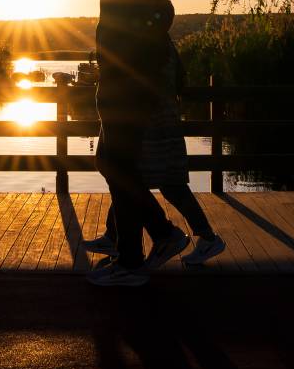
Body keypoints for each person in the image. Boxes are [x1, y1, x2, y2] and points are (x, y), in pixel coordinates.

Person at [84, 0, 192, 287]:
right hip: (123, 85)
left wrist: (124, 68)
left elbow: (156, 18)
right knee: (115, 165)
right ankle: (136, 248)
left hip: (128, 88)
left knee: (117, 166)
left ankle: (144, 251)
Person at [83, 35, 226, 267]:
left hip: (152, 122)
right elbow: (177, 80)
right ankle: (113, 235)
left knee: (143, 180)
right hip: (163, 118)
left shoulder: (150, 43)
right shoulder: (166, 43)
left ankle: (206, 237)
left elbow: (142, 82)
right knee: (132, 177)